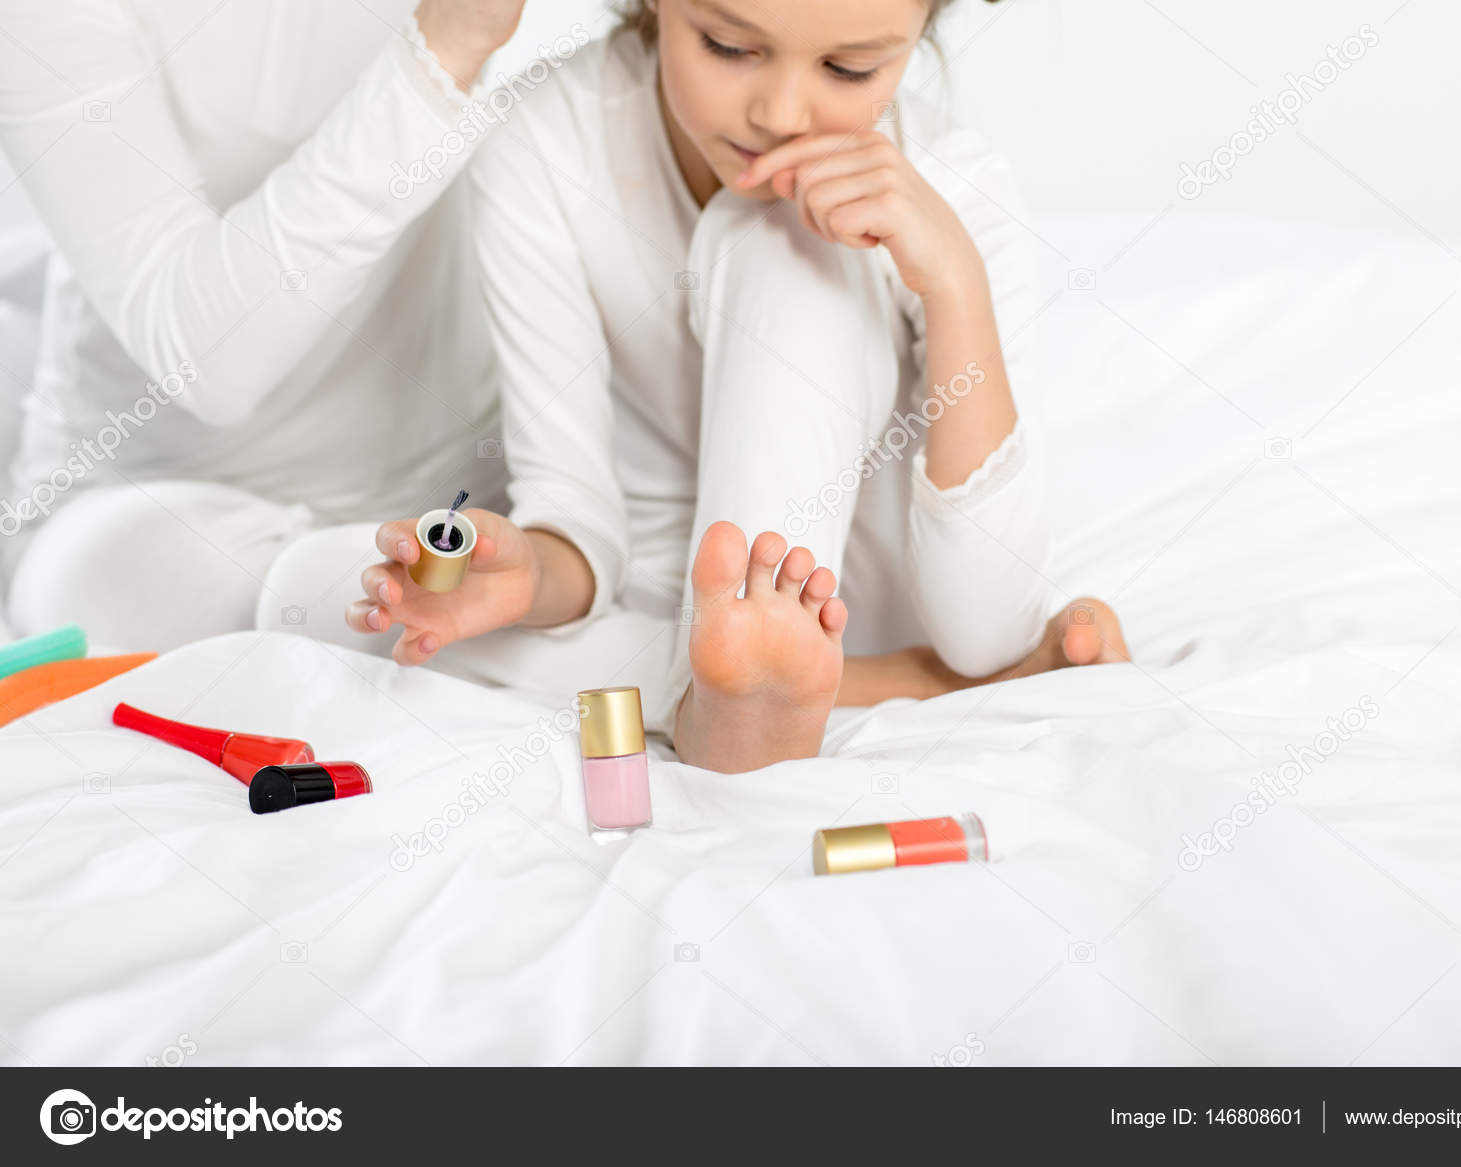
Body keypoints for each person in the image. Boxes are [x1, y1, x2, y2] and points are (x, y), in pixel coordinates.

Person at [349, 0, 1130, 773]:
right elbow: (575, 518)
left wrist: (956, 285)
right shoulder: (546, 140)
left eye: (850, 68)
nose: (783, 115)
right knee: (344, 599)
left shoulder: (958, 187)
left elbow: (987, 631)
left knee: (784, 238)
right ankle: (891, 684)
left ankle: (743, 695)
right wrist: (527, 573)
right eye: (728, 46)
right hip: (674, 608)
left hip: (862, 594)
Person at [0, 0, 558, 649]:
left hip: (455, 496)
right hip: (151, 504)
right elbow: (209, 366)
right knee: (117, 586)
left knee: (466, 594)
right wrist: (445, 50)